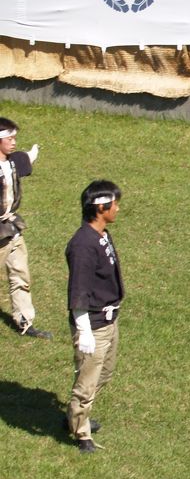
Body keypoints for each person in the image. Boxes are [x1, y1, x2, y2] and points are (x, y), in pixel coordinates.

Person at [65, 180, 124, 454]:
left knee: (104, 373)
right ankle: (80, 433)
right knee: (86, 382)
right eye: (114, 204)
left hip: (109, 320)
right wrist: (84, 330)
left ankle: (78, 414)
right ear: (101, 207)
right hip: (93, 324)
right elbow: (79, 290)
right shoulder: (83, 245)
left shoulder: (102, 234)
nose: (118, 208)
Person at [0, 117, 51, 339]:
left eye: (14, 138)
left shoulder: (13, 161)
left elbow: (25, 159)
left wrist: (32, 153)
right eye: (9, 138)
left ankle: (24, 321)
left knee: (21, 275)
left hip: (12, 228)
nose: (13, 142)